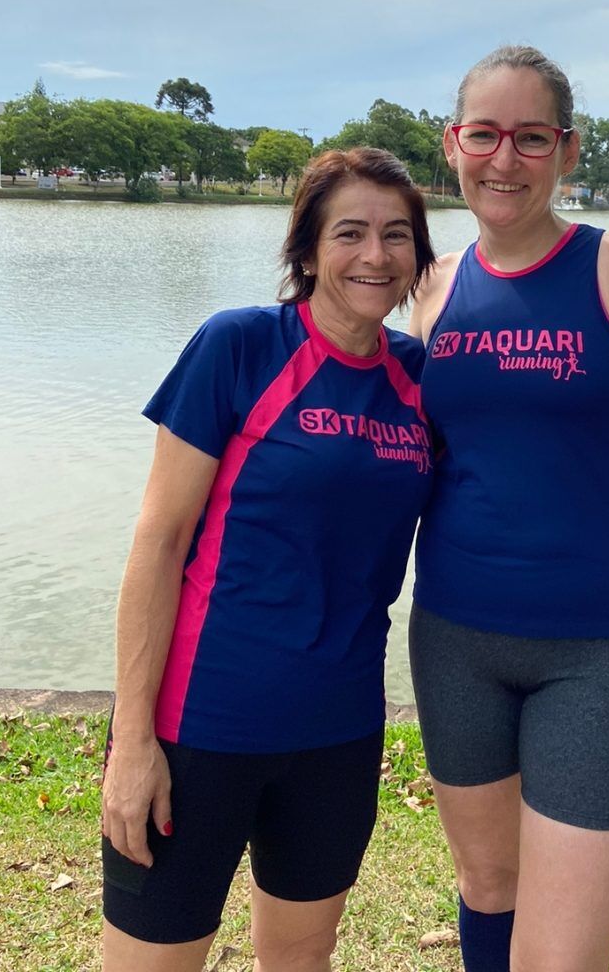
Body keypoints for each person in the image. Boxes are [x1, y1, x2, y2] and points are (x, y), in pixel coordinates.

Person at [408, 45, 609, 972]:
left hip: (598, 652)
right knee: (488, 895)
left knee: (562, 956)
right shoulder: (426, 290)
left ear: (567, 150)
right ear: (452, 144)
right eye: (484, 135)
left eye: (531, 138)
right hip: (455, 641)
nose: (504, 159)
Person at [100, 147, 438, 971]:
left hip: (338, 733)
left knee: (299, 960)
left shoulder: (423, 380)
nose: (374, 255)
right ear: (308, 249)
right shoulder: (241, 346)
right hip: (200, 728)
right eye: (349, 232)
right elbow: (158, 542)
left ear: (418, 258)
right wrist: (132, 742)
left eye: (396, 236)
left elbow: (516, 460)